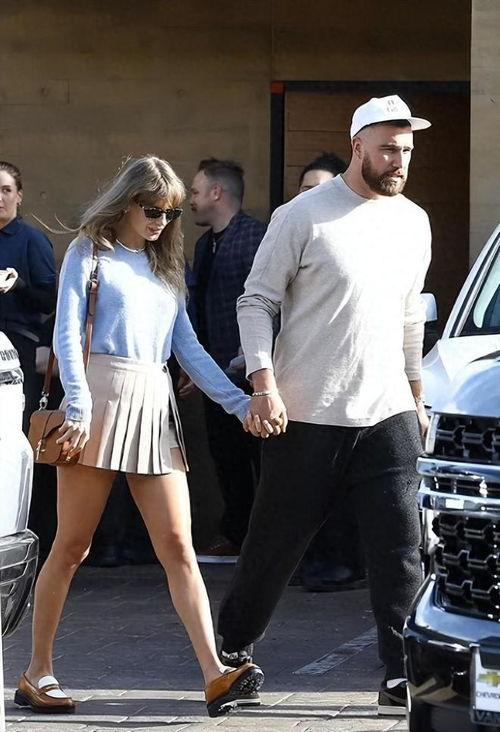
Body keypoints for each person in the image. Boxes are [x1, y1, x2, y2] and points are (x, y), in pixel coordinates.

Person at [14, 155, 263, 718]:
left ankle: (215, 674)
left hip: (154, 402)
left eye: (171, 212)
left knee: (178, 544)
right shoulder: (88, 251)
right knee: (72, 546)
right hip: (98, 397)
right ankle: (36, 672)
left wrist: (239, 403)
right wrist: (79, 403)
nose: (161, 221)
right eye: (152, 209)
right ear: (127, 202)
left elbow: (188, 349)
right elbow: (67, 331)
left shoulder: (165, 266)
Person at [217, 95, 432, 716]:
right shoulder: (302, 215)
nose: (398, 161)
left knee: (400, 548)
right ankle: (231, 649)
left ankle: (400, 673)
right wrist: (263, 383)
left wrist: (416, 395)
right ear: (357, 145)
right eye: (387, 149)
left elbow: (409, 315)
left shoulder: (413, 221)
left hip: (388, 411)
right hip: (306, 411)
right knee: (275, 544)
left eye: (406, 150)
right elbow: (256, 301)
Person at [189, 158, 266, 561]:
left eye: (196, 191)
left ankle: (264, 542)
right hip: (215, 373)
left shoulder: (254, 236)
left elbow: (270, 300)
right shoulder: (205, 245)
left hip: (254, 373)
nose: (191, 199)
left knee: (260, 458)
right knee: (226, 457)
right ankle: (237, 534)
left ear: (216, 192)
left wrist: (251, 353)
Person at [0, 161, 57, 433]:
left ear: (19, 195)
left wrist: (18, 285)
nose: (0, 198)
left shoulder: (32, 240)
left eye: (6, 190)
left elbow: (50, 302)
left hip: (17, 348)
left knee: (12, 431)